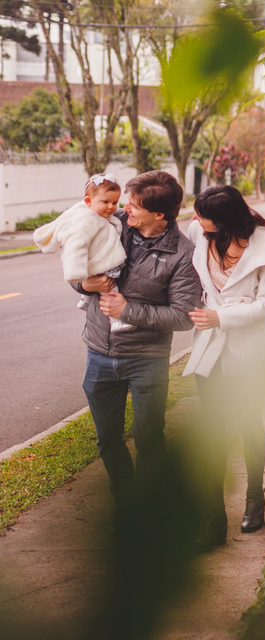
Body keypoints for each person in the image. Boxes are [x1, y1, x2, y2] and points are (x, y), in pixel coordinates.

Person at [76, 170, 202, 513]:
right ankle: (127, 502)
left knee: (148, 438)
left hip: (147, 358)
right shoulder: (112, 225)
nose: (124, 208)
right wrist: (83, 286)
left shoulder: (182, 255)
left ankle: (147, 509)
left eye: (134, 204)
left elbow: (181, 315)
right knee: (107, 439)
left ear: (159, 214)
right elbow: (77, 263)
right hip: (99, 353)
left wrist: (128, 310)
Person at [183, 185, 265, 548]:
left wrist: (221, 317)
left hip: (250, 350)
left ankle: (255, 499)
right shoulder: (199, 233)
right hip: (210, 352)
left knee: (250, 424)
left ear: (225, 219)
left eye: (202, 214)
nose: (195, 219)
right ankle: (213, 522)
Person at [34, 172, 134, 332]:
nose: (111, 207)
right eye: (105, 202)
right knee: (110, 289)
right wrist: (75, 273)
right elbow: (75, 246)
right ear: (88, 201)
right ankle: (116, 321)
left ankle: (85, 300)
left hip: (96, 260)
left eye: (115, 202)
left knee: (96, 282)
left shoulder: (97, 214)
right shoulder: (86, 220)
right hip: (100, 263)